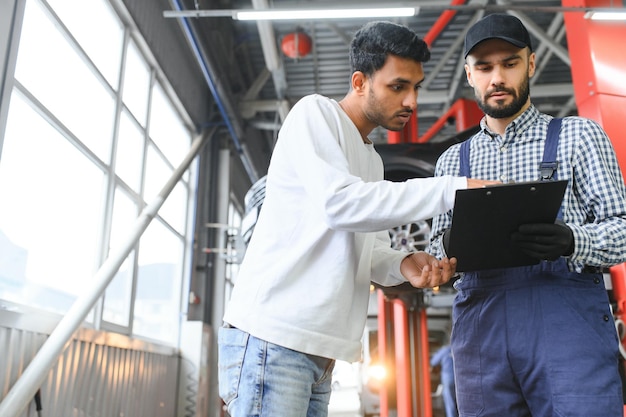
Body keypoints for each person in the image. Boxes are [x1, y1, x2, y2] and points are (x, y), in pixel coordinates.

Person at [218, 21, 495, 417]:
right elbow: (341, 205)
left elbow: (367, 245)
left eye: (415, 87)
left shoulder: (371, 159)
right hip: (273, 340)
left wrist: (403, 263)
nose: (411, 101)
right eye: (398, 86)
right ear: (360, 81)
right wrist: (454, 188)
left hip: (319, 351)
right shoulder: (315, 114)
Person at [429, 13, 626, 417]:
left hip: (566, 321)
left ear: (531, 64)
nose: (496, 78)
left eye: (509, 63)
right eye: (484, 67)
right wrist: (446, 251)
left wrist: (574, 240)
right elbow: (436, 246)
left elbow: (622, 226)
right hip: (481, 327)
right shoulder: (452, 162)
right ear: (469, 74)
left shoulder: (579, 137)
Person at [430, 344, 458, 417]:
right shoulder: (456, 349)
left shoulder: (444, 350)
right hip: (458, 379)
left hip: (448, 379)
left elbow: (433, 361)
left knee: (450, 402)